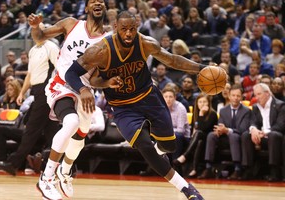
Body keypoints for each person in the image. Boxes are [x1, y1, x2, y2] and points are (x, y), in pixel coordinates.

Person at [65, 10, 208, 200]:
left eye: (132, 29)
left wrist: (202, 69)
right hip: (123, 107)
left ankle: (157, 155)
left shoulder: (145, 43)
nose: (128, 34)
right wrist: (88, 89)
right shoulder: (101, 50)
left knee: (169, 146)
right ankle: (187, 189)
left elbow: (172, 60)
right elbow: (71, 73)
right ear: (115, 27)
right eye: (124, 29)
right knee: (144, 145)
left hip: (149, 98)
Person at [27, 0, 112, 200]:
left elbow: (96, 79)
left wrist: (107, 83)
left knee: (80, 136)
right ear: (86, 9)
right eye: (93, 1)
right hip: (61, 83)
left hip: (85, 91)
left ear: (105, 10)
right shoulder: (71, 24)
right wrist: (36, 27)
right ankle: (46, 178)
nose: (97, 3)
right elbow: (39, 38)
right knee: (71, 122)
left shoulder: (107, 40)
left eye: (101, 1)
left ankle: (64, 172)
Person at [0, 24, 60, 177]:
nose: (37, 31)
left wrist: (55, 91)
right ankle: (64, 167)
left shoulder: (51, 47)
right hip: (36, 90)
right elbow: (30, 75)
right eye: (34, 29)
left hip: (48, 90)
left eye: (41, 28)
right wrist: (22, 93)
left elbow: (60, 69)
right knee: (52, 131)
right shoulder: (32, 51)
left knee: (31, 129)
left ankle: (13, 163)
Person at [198, 84, 251, 180]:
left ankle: (237, 169)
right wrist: (219, 130)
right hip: (223, 139)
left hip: (238, 139)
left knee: (233, 136)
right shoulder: (223, 110)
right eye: (233, 95)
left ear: (242, 97)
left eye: (238, 96)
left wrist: (228, 130)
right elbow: (220, 124)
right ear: (229, 96)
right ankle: (208, 167)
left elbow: (243, 129)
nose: (235, 98)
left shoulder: (246, 111)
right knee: (211, 135)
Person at [241, 83, 285, 181]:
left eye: (259, 94)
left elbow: (280, 125)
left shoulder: (280, 105)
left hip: (275, 137)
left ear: (267, 93)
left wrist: (265, 132)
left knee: (273, 135)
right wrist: (254, 130)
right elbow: (253, 122)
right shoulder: (256, 107)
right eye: (255, 95)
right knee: (245, 135)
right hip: (261, 137)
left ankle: (275, 171)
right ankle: (248, 169)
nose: (256, 97)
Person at [173, 93, 218, 178]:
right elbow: (194, 129)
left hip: (208, 142)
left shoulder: (213, 114)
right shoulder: (195, 114)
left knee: (199, 134)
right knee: (199, 141)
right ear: (197, 103)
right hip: (198, 141)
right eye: (200, 102)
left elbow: (202, 128)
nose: (202, 104)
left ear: (208, 103)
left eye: (204, 102)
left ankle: (184, 156)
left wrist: (201, 115)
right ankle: (194, 169)